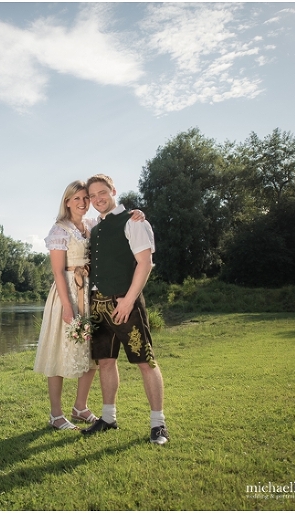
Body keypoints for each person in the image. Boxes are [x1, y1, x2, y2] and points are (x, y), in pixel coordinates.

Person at [34, 180, 144, 430]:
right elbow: (58, 272)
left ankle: (80, 407)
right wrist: (67, 306)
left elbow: (117, 224)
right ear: (67, 202)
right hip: (67, 294)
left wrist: (135, 213)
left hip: (91, 293)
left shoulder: (93, 225)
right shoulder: (59, 230)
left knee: (92, 352)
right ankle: (56, 414)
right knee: (58, 353)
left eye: (86, 198)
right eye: (77, 198)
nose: (83, 202)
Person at [81, 173, 169, 445]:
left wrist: (129, 300)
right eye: (92, 196)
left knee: (145, 361)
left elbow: (145, 263)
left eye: (102, 192)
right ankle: (108, 418)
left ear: (113, 191)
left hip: (125, 302)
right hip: (98, 305)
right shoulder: (96, 228)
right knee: (106, 362)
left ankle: (158, 425)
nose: (98, 199)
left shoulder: (133, 221)